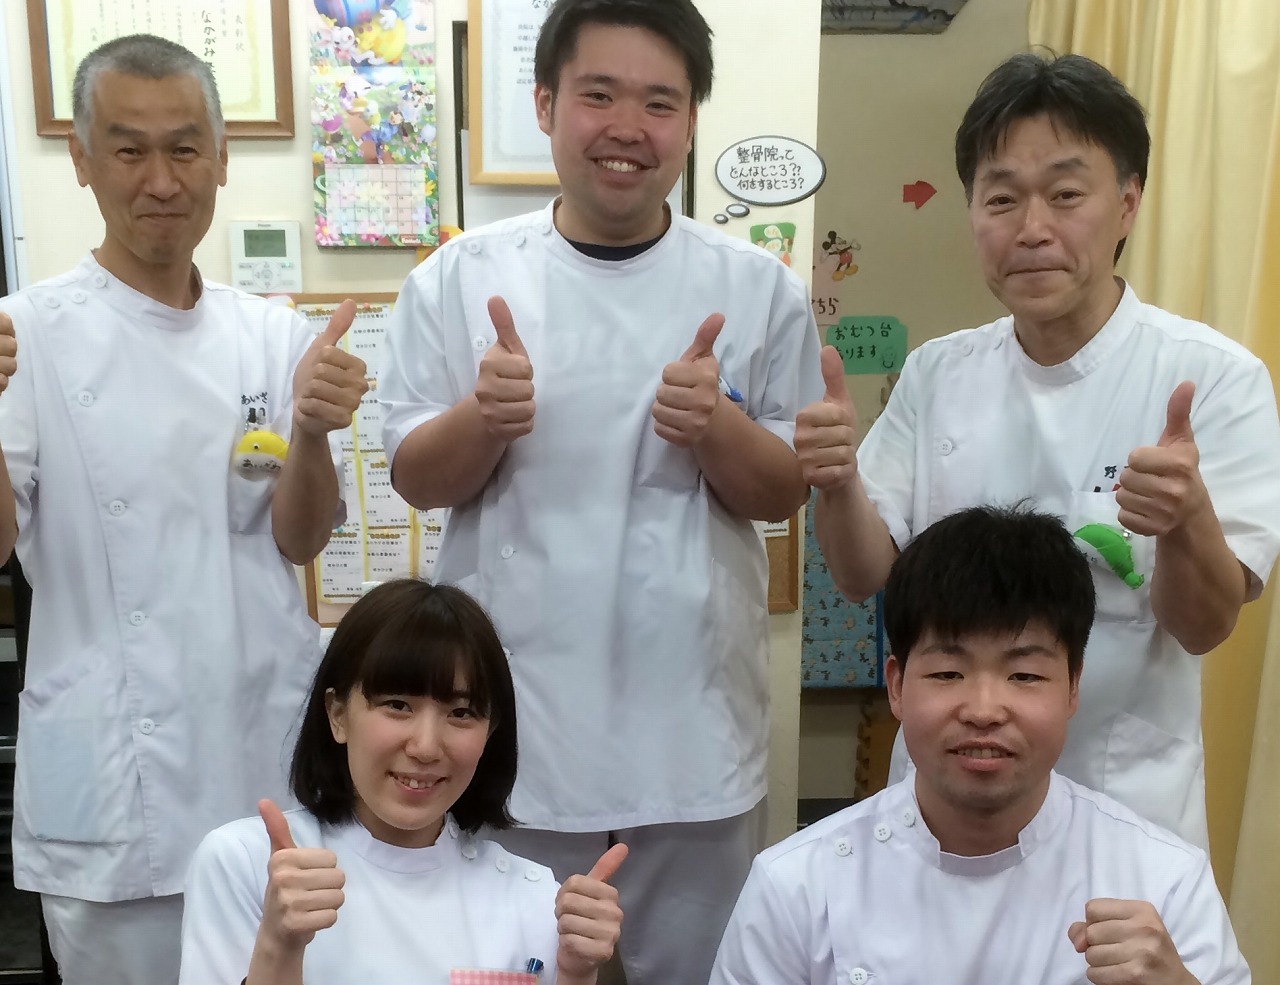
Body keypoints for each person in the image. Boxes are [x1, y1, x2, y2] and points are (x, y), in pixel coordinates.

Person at [377, 0, 823, 978]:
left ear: (691, 120)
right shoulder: (457, 280)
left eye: (659, 102)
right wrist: (480, 421)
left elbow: (781, 492)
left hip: (692, 736)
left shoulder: (755, 289)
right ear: (544, 104)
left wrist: (716, 428)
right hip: (513, 738)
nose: (627, 127)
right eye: (598, 95)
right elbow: (414, 476)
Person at [795, 51, 1280, 847]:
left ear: (1127, 204)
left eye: (1065, 194)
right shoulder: (938, 371)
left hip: (1125, 811)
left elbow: (1202, 627)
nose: (1032, 229)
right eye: (1002, 199)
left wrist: (1187, 518)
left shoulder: (1213, 378)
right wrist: (838, 480)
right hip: (946, 805)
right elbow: (862, 575)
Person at [0, 35, 368, 984]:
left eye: (185, 147)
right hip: (119, 789)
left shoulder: (272, 334)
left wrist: (318, 432)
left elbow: (301, 536)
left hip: (262, 758)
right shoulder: (27, 334)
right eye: (128, 150)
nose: (161, 180)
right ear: (81, 161)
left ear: (221, 157)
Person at [711, 505, 1251, 985]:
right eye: (948, 673)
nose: (985, 710)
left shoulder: (1164, 879)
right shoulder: (797, 884)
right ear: (897, 686)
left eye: (1025, 675)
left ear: (1072, 688)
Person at [180, 579, 626, 985]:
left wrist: (575, 975)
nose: (427, 747)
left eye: (461, 713)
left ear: (490, 733)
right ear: (337, 715)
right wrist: (278, 945)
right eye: (397, 705)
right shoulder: (246, 863)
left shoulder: (534, 897)